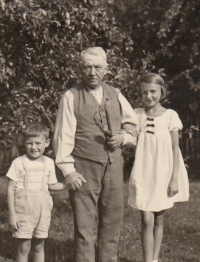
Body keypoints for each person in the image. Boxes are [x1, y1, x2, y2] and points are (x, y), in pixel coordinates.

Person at [53, 46, 138, 262]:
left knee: (112, 219)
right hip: (83, 166)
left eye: (97, 67)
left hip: (113, 164)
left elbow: (133, 125)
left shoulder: (115, 93)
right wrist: (68, 171)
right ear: (79, 70)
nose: (93, 73)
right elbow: (62, 137)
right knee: (84, 224)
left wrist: (123, 138)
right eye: (87, 68)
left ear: (106, 69)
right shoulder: (71, 97)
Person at [128, 73, 189, 262]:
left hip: (163, 171)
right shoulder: (137, 114)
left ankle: (155, 259)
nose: (148, 96)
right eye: (144, 92)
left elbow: (174, 149)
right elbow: (129, 134)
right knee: (146, 218)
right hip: (144, 170)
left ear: (161, 92)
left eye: (153, 92)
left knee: (159, 218)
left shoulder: (171, 116)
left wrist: (174, 178)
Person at [7, 123, 67, 262]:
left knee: (39, 247)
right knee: (24, 248)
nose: (34, 147)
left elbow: (51, 185)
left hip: (42, 211)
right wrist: (12, 215)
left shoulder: (49, 163)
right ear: (25, 143)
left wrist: (66, 185)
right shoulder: (18, 162)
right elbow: (10, 188)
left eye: (38, 143)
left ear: (47, 143)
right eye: (29, 143)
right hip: (23, 210)